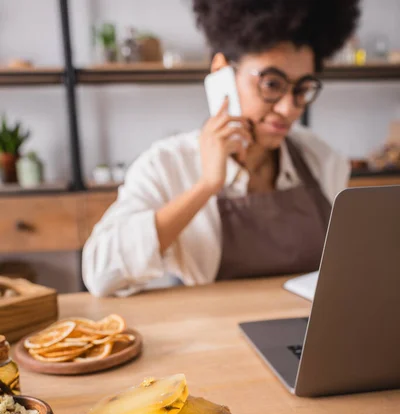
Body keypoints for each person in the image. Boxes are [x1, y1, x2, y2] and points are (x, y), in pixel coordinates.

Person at [83, 0, 360, 297]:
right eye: (271, 84)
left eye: (302, 88)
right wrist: (205, 186)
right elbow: (101, 276)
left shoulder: (322, 159)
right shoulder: (168, 164)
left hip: (308, 334)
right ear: (222, 71)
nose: (288, 108)